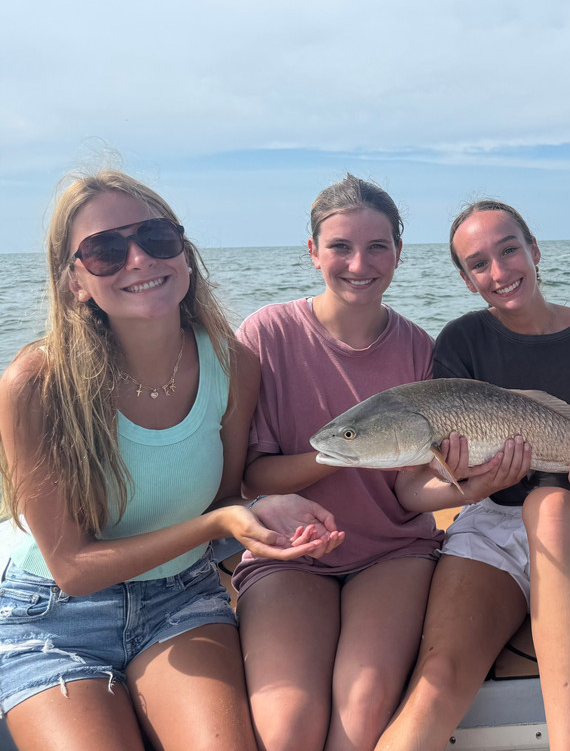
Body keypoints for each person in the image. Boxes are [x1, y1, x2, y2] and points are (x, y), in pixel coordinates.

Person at [0, 170, 341, 750]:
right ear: (75, 282)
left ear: (183, 253)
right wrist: (218, 526)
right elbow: (73, 569)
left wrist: (263, 510)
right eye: (105, 251)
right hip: (55, 615)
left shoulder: (233, 363)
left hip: (179, 595)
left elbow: (225, 497)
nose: (138, 258)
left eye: (157, 237)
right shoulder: (36, 382)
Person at [376, 200, 570, 751]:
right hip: (489, 524)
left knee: (546, 505)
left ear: (535, 250)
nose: (498, 272)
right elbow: (430, 478)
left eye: (508, 251)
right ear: (465, 278)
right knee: (438, 677)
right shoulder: (459, 342)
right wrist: (468, 477)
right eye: (478, 264)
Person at [233, 174, 447, 751]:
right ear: (312, 253)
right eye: (340, 247)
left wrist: (470, 483)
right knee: (286, 726)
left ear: (399, 254)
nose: (360, 263)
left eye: (378, 246)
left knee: (362, 708)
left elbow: (410, 491)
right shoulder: (266, 333)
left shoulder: (420, 349)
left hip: (391, 551)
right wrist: (349, 451)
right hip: (288, 552)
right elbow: (253, 475)